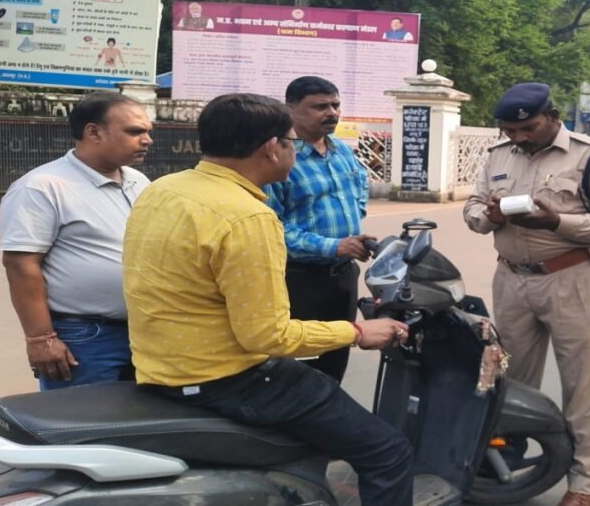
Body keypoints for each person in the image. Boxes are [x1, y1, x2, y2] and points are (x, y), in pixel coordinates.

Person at [123, 93, 413, 506]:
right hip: (229, 378)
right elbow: (267, 336)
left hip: (161, 367)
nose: (295, 151)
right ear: (272, 148)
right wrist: (359, 332)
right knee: (388, 451)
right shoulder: (248, 217)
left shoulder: (164, 189)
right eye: (292, 142)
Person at [463, 83, 590, 506]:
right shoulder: (498, 154)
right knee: (511, 381)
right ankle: (507, 463)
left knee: (584, 387)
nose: (519, 137)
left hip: (572, 279)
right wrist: (487, 217)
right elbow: (473, 206)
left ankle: (585, 485)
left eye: (528, 128)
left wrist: (557, 222)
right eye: (510, 130)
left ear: (553, 117)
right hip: (511, 280)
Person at [0, 93, 153, 390]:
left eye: (148, 131)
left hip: (143, 332)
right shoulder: (42, 187)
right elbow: (21, 266)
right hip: (84, 338)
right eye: (135, 131)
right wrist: (40, 339)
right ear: (93, 132)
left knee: (143, 417)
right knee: (84, 417)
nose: (147, 140)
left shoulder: (139, 181)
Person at [264, 76, 373, 382]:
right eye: (320, 107)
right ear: (291, 108)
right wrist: (332, 246)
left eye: (335, 105)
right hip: (299, 280)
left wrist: (354, 224)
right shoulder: (279, 157)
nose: (332, 113)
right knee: (300, 370)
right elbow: (271, 227)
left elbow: (360, 188)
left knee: (336, 359)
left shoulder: (342, 151)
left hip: (343, 276)